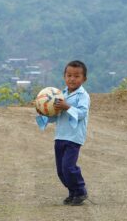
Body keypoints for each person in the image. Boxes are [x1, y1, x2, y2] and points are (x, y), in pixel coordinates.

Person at [36, 60, 91, 206]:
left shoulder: (82, 96)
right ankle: (72, 192)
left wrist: (67, 107)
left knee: (68, 167)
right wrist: (44, 111)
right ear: (64, 76)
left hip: (74, 138)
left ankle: (80, 191)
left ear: (84, 79)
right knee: (61, 170)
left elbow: (81, 114)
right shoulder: (60, 94)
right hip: (60, 136)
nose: (72, 79)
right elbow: (56, 116)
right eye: (69, 75)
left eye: (76, 76)